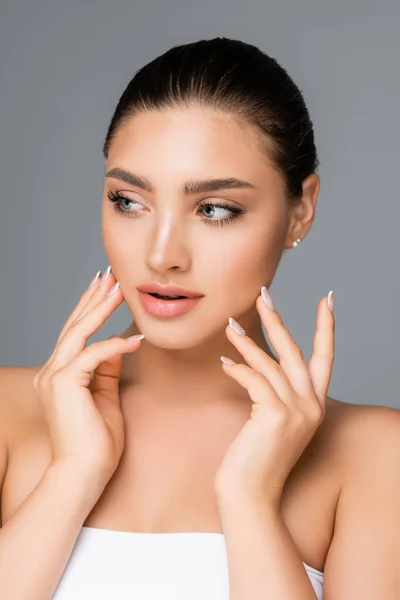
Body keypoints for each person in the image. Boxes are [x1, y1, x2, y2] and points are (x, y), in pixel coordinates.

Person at [0, 36, 399, 600]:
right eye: (129, 201)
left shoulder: (376, 457)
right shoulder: (8, 421)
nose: (162, 254)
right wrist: (72, 474)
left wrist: (250, 500)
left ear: (299, 211)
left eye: (215, 209)